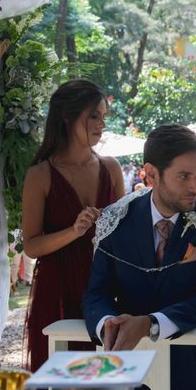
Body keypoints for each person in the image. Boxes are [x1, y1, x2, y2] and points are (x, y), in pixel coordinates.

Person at [82, 124, 196, 390]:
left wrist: (150, 323)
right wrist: (106, 324)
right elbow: (96, 293)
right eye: (183, 176)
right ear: (152, 174)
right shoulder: (115, 219)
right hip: (130, 373)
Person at [21, 79, 125, 373]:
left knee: (106, 375)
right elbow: (31, 245)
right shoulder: (40, 175)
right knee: (60, 376)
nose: (101, 123)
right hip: (57, 288)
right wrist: (73, 231)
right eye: (93, 115)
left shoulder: (112, 168)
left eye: (103, 116)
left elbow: (125, 234)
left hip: (106, 284)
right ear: (67, 117)